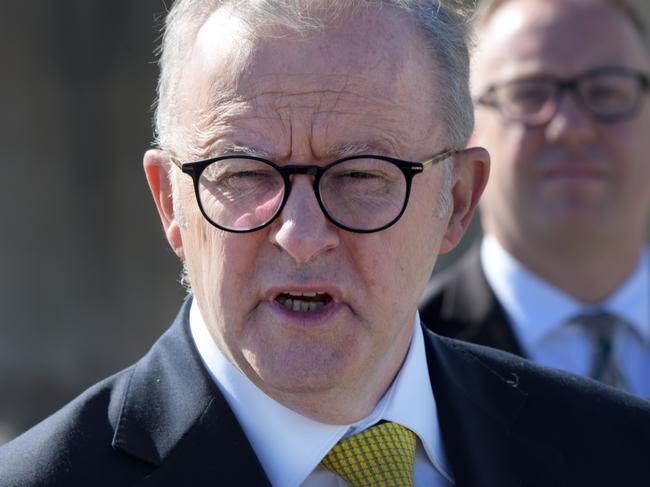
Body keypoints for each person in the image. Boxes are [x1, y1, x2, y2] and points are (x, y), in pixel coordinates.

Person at [2, 1, 650, 485]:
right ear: (172, 202)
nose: (302, 236)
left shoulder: (620, 452)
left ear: (456, 200)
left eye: (363, 175)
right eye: (245, 173)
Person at [420, 0, 650, 395]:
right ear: (468, 130)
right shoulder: (407, 353)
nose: (571, 128)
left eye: (608, 91)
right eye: (529, 94)